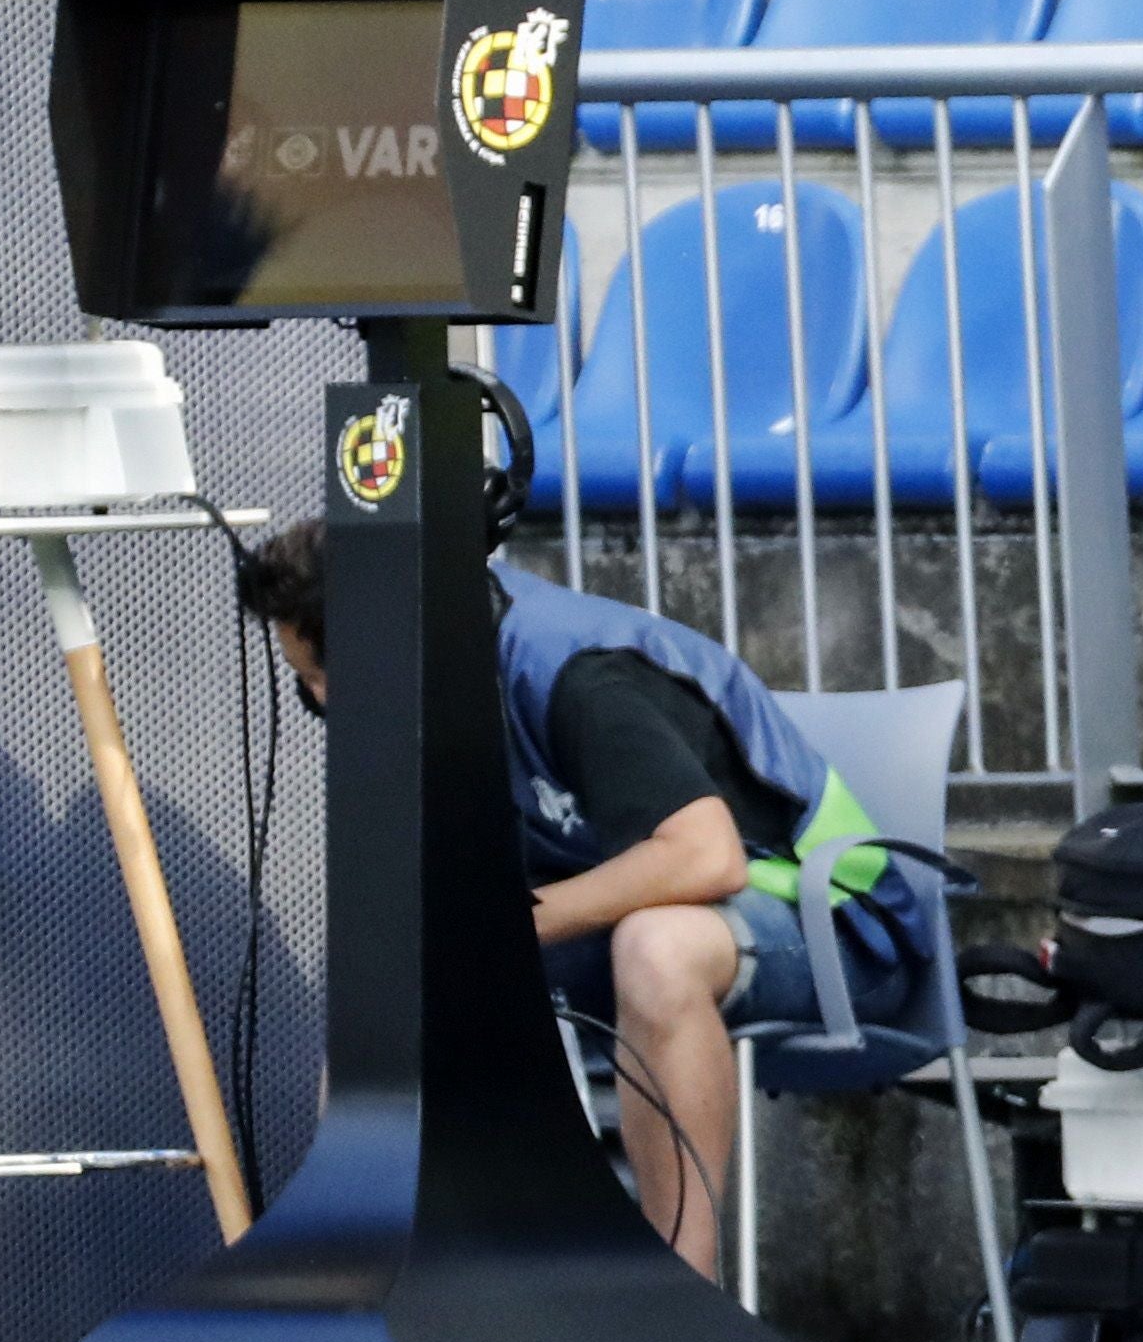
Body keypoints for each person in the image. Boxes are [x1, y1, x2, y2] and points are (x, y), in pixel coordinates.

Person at [239, 526, 935, 1280]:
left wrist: (499, 926)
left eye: (327, 678)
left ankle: (678, 1300)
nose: (323, 702)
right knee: (390, 972)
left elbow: (707, 857)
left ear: (390, 638)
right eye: (307, 689)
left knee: (655, 948)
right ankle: (373, 1285)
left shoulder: (574, 670)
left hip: (836, 929)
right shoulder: (443, 684)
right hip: (632, 926)